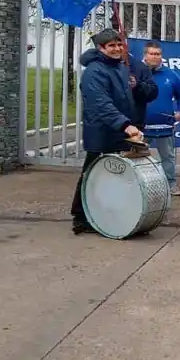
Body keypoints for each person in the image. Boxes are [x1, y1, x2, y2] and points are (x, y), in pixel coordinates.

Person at [71, 29, 142, 235]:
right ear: (100, 48)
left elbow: (124, 100)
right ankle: (81, 218)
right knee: (93, 176)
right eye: (111, 45)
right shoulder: (94, 72)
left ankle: (104, 214)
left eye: (119, 44)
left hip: (119, 131)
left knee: (111, 177)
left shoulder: (120, 67)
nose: (117, 48)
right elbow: (101, 104)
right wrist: (124, 125)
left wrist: (130, 123)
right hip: (101, 133)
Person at [143, 41, 180, 196]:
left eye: (158, 54)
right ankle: (137, 185)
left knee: (168, 157)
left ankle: (171, 184)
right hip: (140, 127)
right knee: (137, 157)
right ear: (145, 55)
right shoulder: (136, 73)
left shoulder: (171, 75)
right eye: (152, 53)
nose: (155, 57)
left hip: (165, 126)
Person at [127, 52, 158, 131]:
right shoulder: (99, 66)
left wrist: (137, 85)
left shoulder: (140, 67)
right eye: (152, 54)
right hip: (106, 125)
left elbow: (152, 93)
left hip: (135, 125)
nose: (117, 48)